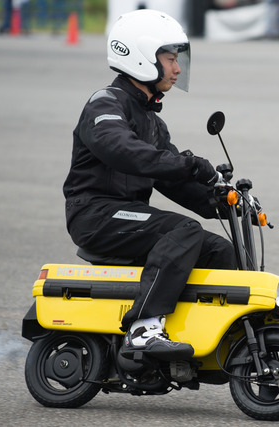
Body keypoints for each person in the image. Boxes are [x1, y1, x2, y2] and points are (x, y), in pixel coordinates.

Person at [63, 9, 236, 360]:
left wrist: (222, 201)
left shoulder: (152, 121)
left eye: (177, 60)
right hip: (95, 214)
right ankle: (143, 329)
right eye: (170, 59)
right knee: (183, 230)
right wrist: (191, 165)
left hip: (130, 215)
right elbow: (125, 152)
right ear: (141, 57)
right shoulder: (105, 104)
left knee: (220, 250)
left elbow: (170, 178)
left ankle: (219, 334)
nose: (176, 68)